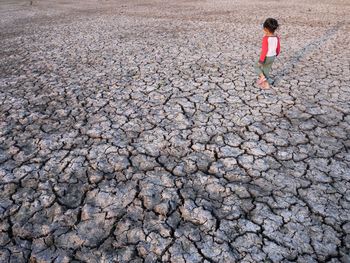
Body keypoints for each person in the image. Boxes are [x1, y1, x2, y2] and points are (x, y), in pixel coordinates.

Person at [255, 18, 280, 89]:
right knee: (266, 69)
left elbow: (264, 50)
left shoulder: (266, 38)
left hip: (266, 57)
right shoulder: (276, 38)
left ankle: (263, 78)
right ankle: (267, 81)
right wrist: (276, 54)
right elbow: (278, 48)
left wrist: (261, 60)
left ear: (265, 29)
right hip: (273, 56)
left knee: (256, 66)